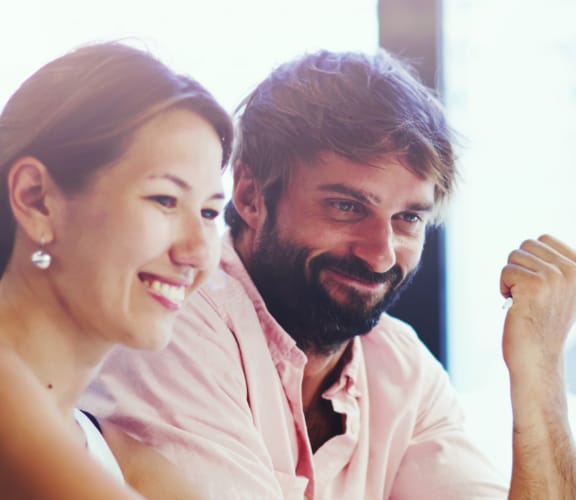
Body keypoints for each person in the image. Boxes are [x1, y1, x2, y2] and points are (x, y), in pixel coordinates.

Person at [83, 49, 576, 499]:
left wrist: (540, 375)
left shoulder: (401, 368)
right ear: (251, 197)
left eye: (408, 219)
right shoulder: (178, 318)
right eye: (346, 206)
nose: (381, 255)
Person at [0, 41, 233, 498]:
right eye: (165, 200)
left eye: (208, 213)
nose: (196, 253)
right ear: (36, 199)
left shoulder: (125, 462)